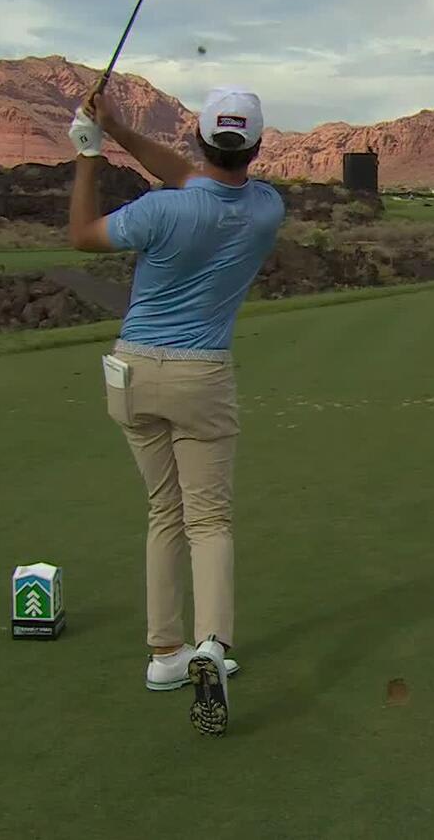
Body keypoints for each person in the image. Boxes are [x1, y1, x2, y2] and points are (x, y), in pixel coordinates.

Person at [67, 85, 285, 736]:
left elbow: (82, 235)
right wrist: (120, 132)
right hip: (200, 377)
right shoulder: (266, 209)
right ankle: (211, 647)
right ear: (257, 146)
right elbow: (201, 179)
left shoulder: (158, 211)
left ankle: (166, 654)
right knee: (208, 519)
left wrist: (89, 152)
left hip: (130, 373)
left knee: (165, 511)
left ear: (196, 139)